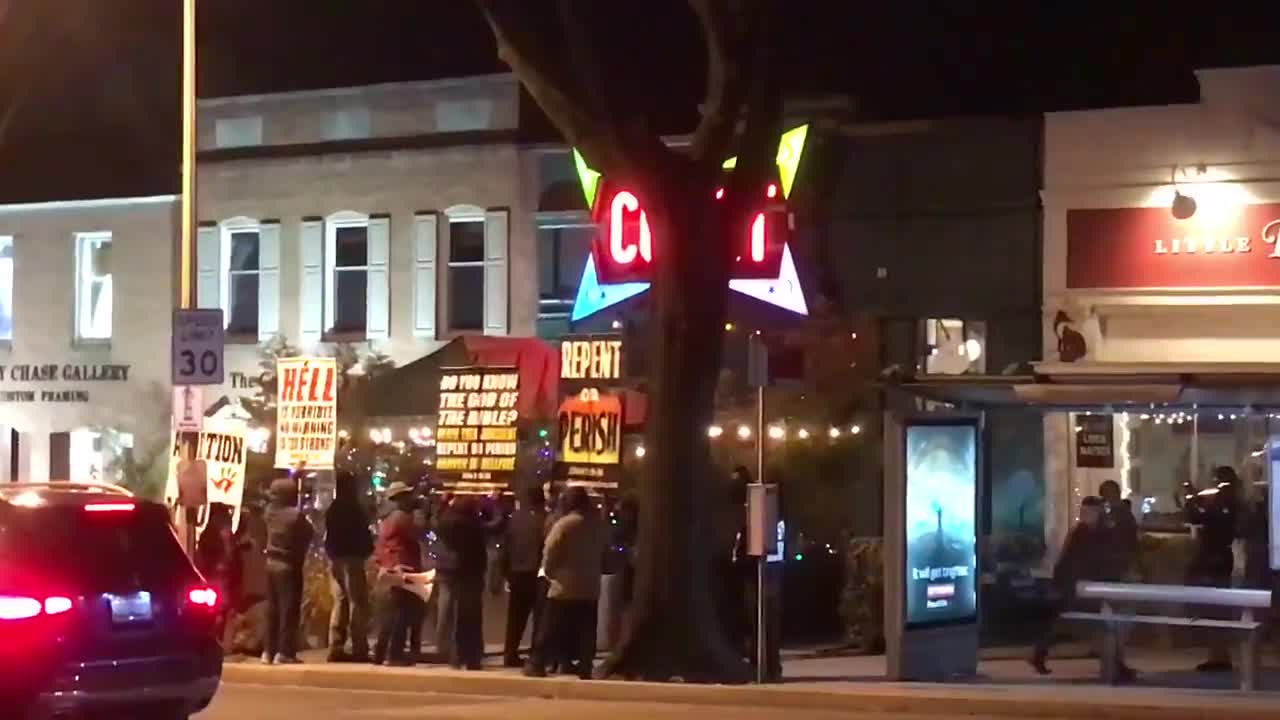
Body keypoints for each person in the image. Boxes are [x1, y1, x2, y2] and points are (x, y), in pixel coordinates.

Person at [525, 487, 605, 679]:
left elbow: (550, 551)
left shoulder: (564, 525)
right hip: (590, 585)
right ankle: (585, 664)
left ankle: (538, 663)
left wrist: (548, 573)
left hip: (564, 585)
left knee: (551, 626)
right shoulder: (597, 525)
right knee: (586, 628)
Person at [1031, 496, 1112, 677]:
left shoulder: (1089, 532)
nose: (1088, 515)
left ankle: (1039, 652)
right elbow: (1071, 559)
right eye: (1087, 512)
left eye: (1091, 512)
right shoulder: (1083, 533)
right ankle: (1113, 664)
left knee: (1086, 624)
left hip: (1083, 584)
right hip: (1078, 585)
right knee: (1090, 625)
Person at [1185, 466, 1241, 672]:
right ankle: (1218, 654)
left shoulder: (1224, 503)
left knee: (1215, 609)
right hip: (1218, 558)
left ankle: (1219, 655)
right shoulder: (1228, 501)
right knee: (1215, 609)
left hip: (1215, 559)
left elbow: (1198, 517)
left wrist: (1190, 498)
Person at [262, 477, 314, 665]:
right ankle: (284, 652)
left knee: (272, 610)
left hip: (270, 564)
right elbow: (309, 533)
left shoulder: (269, 512)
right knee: (288, 610)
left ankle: (268, 651)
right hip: (288, 565)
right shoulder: (295, 515)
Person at [372, 482, 424, 666]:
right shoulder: (401, 517)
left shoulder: (386, 517)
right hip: (403, 567)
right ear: (400, 498)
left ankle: (381, 652)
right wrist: (419, 515)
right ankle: (394, 654)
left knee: (390, 613)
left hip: (390, 567)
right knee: (402, 614)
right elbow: (417, 533)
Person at [324, 471, 374, 662]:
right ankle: (359, 646)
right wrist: (366, 551)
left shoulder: (333, 509)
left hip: (335, 559)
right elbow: (363, 534)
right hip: (352, 559)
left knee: (340, 601)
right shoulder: (354, 509)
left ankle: (335, 646)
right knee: (357, 602)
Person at [435, 495, 487, 670]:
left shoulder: (444, 521)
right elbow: (478, 549)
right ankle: (472, 655)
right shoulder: (472, 525)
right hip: (468, 572)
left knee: (448, 611)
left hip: (446, 569)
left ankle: (451, 652)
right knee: (470, 615)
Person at [1097, 480, 1138, 678]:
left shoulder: (1108, 516)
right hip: (1118, 572)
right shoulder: (1120, 515)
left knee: (1113, 621)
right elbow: (1131, 543)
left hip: (1112, 572)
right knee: (1120, 621)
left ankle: (1113, 663)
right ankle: (1114, 663)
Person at [503, 485, 547, 667]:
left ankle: (510, 652)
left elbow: (506, 546)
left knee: (515, 617)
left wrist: (505, 572)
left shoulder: (515, 519)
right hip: (536, 572)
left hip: (516, 571)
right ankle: (536, 654)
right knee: (539, 616)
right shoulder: (544, 519)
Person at [194, 503, 242, 644]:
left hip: (216, 575)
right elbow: (230, 556)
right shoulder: (217, 534)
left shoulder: (212, 533)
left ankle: (216, 639)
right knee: (219, 609)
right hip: (218, 575)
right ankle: (216, 640)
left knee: (219, 608)